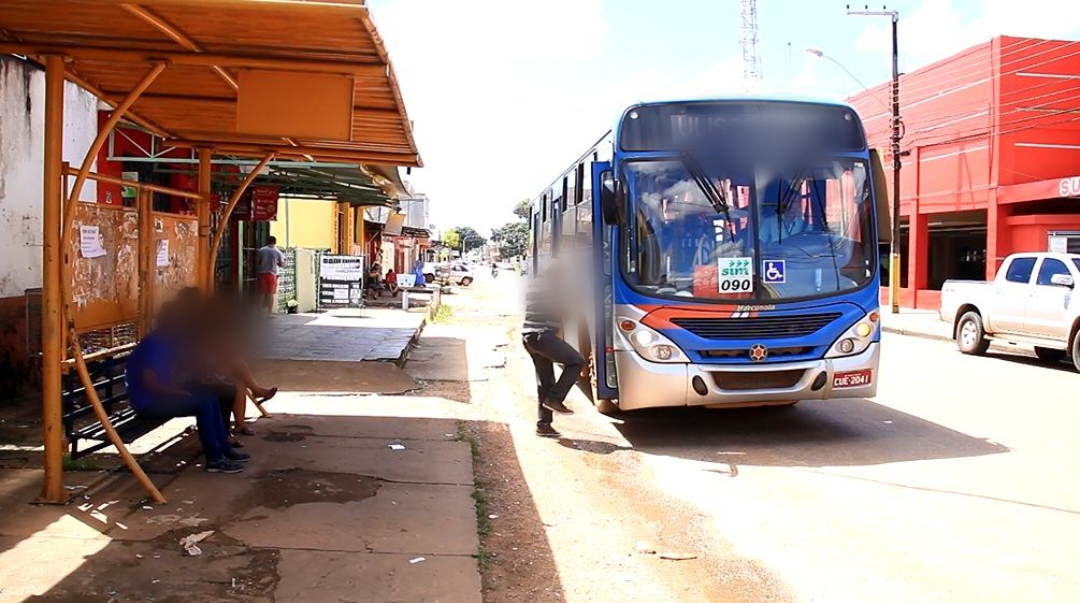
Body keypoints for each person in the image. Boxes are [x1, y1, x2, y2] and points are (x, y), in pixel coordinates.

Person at [125, 302, 249, 473]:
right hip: (148, 402)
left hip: (159, 396)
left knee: (210, 399)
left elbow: (168, 376)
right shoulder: (155, 344)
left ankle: (224, 450)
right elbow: (151, 384)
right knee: (204, 404)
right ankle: (214, 458)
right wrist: (178, 393)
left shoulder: (167, 342)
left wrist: (182, 391)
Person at [521, 262, 584, 438]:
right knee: (576, 361)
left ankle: (543, 425)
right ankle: (555, 398)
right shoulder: (548, 286)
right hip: (542, 336)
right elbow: (560, 312)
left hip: (530, 337)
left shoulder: (537, 283)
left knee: (545, 381)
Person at [255, 236, 285, 317]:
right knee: (270, 294)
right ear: (275, 242)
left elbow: (258, 261)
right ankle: (269, 314)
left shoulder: (262, 250)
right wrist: (277, 263)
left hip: (262, 273)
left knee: (261, 294)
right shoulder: (277, 251)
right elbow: (282, 264)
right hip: (272, 275)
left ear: (267, 241)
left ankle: (259, 313)